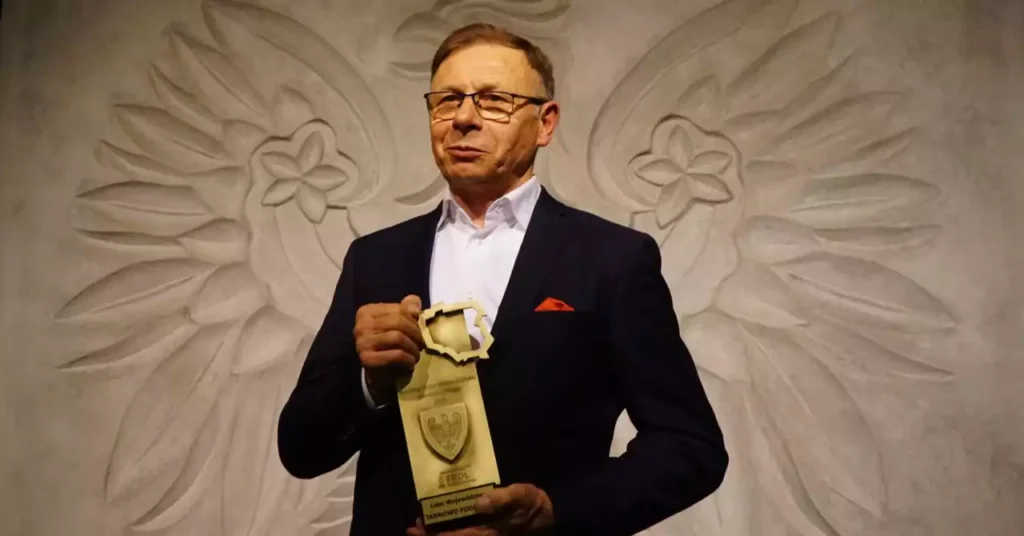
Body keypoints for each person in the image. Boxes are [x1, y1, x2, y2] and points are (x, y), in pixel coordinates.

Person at [277, 22, 728, 536]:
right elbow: (300, 448)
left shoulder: (613, 260)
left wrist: (556, 512)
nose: (464, 118)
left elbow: (689, 446)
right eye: (447, 101)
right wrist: (369, 384)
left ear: (545, 123)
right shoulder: (375, 258)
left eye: (493, 101)